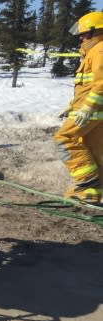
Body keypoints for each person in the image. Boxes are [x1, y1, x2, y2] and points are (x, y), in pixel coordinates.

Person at [54, 11, 103, 205]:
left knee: (64, 138)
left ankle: (86, 183)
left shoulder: (99, 50)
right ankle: (93, 192)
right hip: (92, 110)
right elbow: (87, 86)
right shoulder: (93, 51)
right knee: (94, 149)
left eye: (84, 34)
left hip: (93, 110)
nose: (80, 37)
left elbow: (101, 84)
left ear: (96, 32)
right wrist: (72, 106)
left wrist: (87, 109)